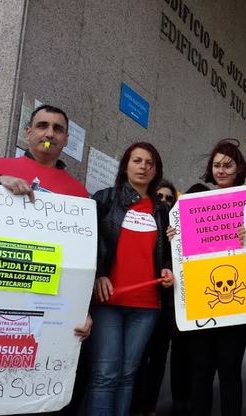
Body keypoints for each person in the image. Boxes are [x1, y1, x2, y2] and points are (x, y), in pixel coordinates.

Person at [0, 104, 92, 416]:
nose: (49, 133)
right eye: (42, 126)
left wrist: (84, 311)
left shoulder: (79, 194)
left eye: (57, 129)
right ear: (28, 132)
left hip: (46, 304)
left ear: (66, 141)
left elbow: (81, 260)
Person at [86, 142, 174, 415]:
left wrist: (170, 267)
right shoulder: (105, 199)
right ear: (126, 165)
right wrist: (99, 274)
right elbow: (86, 241)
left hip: (147, 306)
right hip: (108, 302)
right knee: (105, 375)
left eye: (150, 162)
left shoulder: (163, 210)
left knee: (127, 375)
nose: (143, 167)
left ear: (156, 170)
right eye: (137, 160)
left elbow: (169, 254)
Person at [186, 139, 246, 416]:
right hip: (203, 298)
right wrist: (176, 236)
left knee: (229, 372)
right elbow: (182, 244)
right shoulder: (195, 199)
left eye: (227, 165)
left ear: (238, 168)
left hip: (238, 302)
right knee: (200, 372)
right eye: (216, 165)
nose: (221, 170)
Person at [131, 180, 179, 416]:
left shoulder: (177, 230)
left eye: (169, 198)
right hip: (139, 301)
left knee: (158, 358)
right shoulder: (142, 221)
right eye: (159, 196)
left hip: (164, 304)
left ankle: (149, 407)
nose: (163, 201)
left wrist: (175, 241)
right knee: (136, 357)